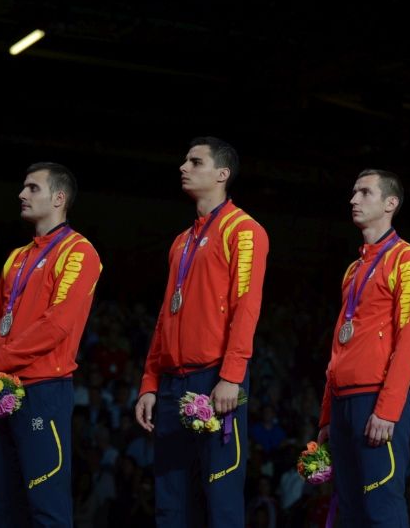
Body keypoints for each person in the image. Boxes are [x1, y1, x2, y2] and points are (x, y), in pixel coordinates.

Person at [134, 136, 268, 527]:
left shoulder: (244, 230)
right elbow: (165, 316)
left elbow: (247, 307)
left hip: (214, 379)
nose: (183, 167)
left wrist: (232, 376)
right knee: (170, 503)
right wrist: (149, 382)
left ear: (222, 174)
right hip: (171, 382)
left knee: (220, 500)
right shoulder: (181, 242)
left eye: (195, 162)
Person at [0, 162, 102, 526]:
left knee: (46, 507)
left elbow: (55, 326)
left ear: (59, 198)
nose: (21, 194)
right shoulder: (17, 257)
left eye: (32, 188)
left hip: (43, 390)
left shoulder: (78, 252)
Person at [317, 169, 410, 527]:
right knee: (349, 512)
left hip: (376, 402)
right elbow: (339, 346)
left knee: (381, 511)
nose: (354, 199)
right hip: (343, 403)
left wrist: (388, 409)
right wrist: (326, 417)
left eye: (365, 193)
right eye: (354, 192)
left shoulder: (408, 260)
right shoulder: (354, 270)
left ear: (390, 203)